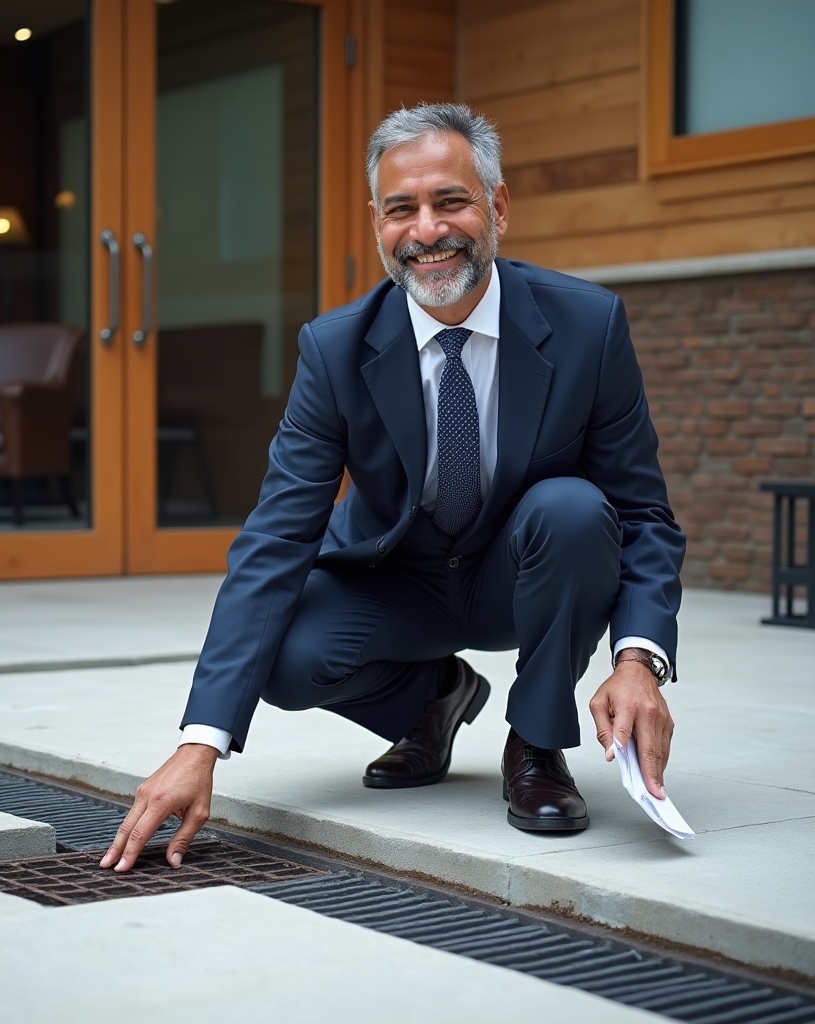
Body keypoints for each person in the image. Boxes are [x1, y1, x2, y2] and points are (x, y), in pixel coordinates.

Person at [100, 103, 685, 873]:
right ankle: (433, 699)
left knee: (574, 510)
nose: (426, 230)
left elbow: (643, 513)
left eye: (450, 201)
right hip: (398, 582)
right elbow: (277, 535)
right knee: (285, 653)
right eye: (401, 209)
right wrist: (199, 742)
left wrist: (639, 661)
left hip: (524, 574)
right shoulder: (334, 349)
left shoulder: (588, 326)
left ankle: (536, 745)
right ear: (376, 222)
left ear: (498, 206)